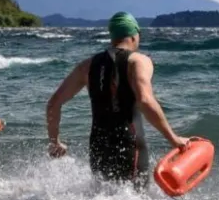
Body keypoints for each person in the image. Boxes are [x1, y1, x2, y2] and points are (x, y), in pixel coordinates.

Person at [46, 11, 189, 188]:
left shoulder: (87, 65)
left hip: (98, 146)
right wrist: (174, 138)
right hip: (129, 145)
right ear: (134, 36)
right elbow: (145, 101)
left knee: (101, 196)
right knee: (137, 198)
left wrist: (54, 142)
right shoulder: (138, 61)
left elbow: (53, 104)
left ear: (112, 36)